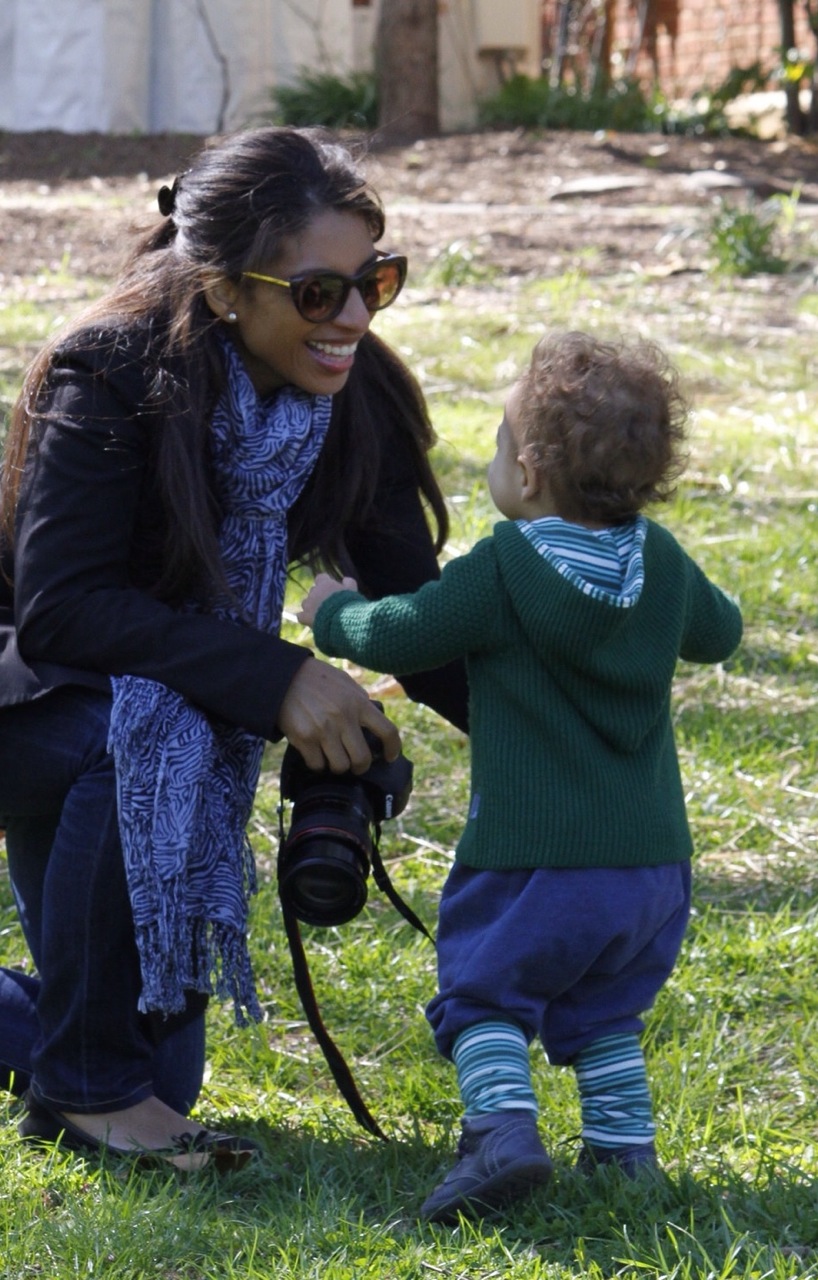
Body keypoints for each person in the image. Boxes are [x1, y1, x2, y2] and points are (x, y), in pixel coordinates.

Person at [0, 125, 468, 1170]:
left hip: (133, 717)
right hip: (33, 701)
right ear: (223, 290)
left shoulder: (351, 396)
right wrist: (278, 675)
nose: (353, 317)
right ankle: (86, 1089)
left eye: (374, 281)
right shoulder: (107, 371)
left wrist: (561, 729)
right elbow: (62, 611)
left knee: (162, 1076)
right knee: (134, 727)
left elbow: (417, 613)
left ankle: (100, 1066)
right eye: (317, 292)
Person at [298, 329, 743, 1220]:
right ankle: (623, 1156)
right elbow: (721, 633)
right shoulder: (661, 561)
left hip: (532, 857)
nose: (496, 460)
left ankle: (499, 1134)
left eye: (501, 444)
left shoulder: (503, 569)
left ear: (530, 473)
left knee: (483, 999)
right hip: (652, 869)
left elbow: (404, 635)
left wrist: (333, 612)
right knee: (604, 1012)